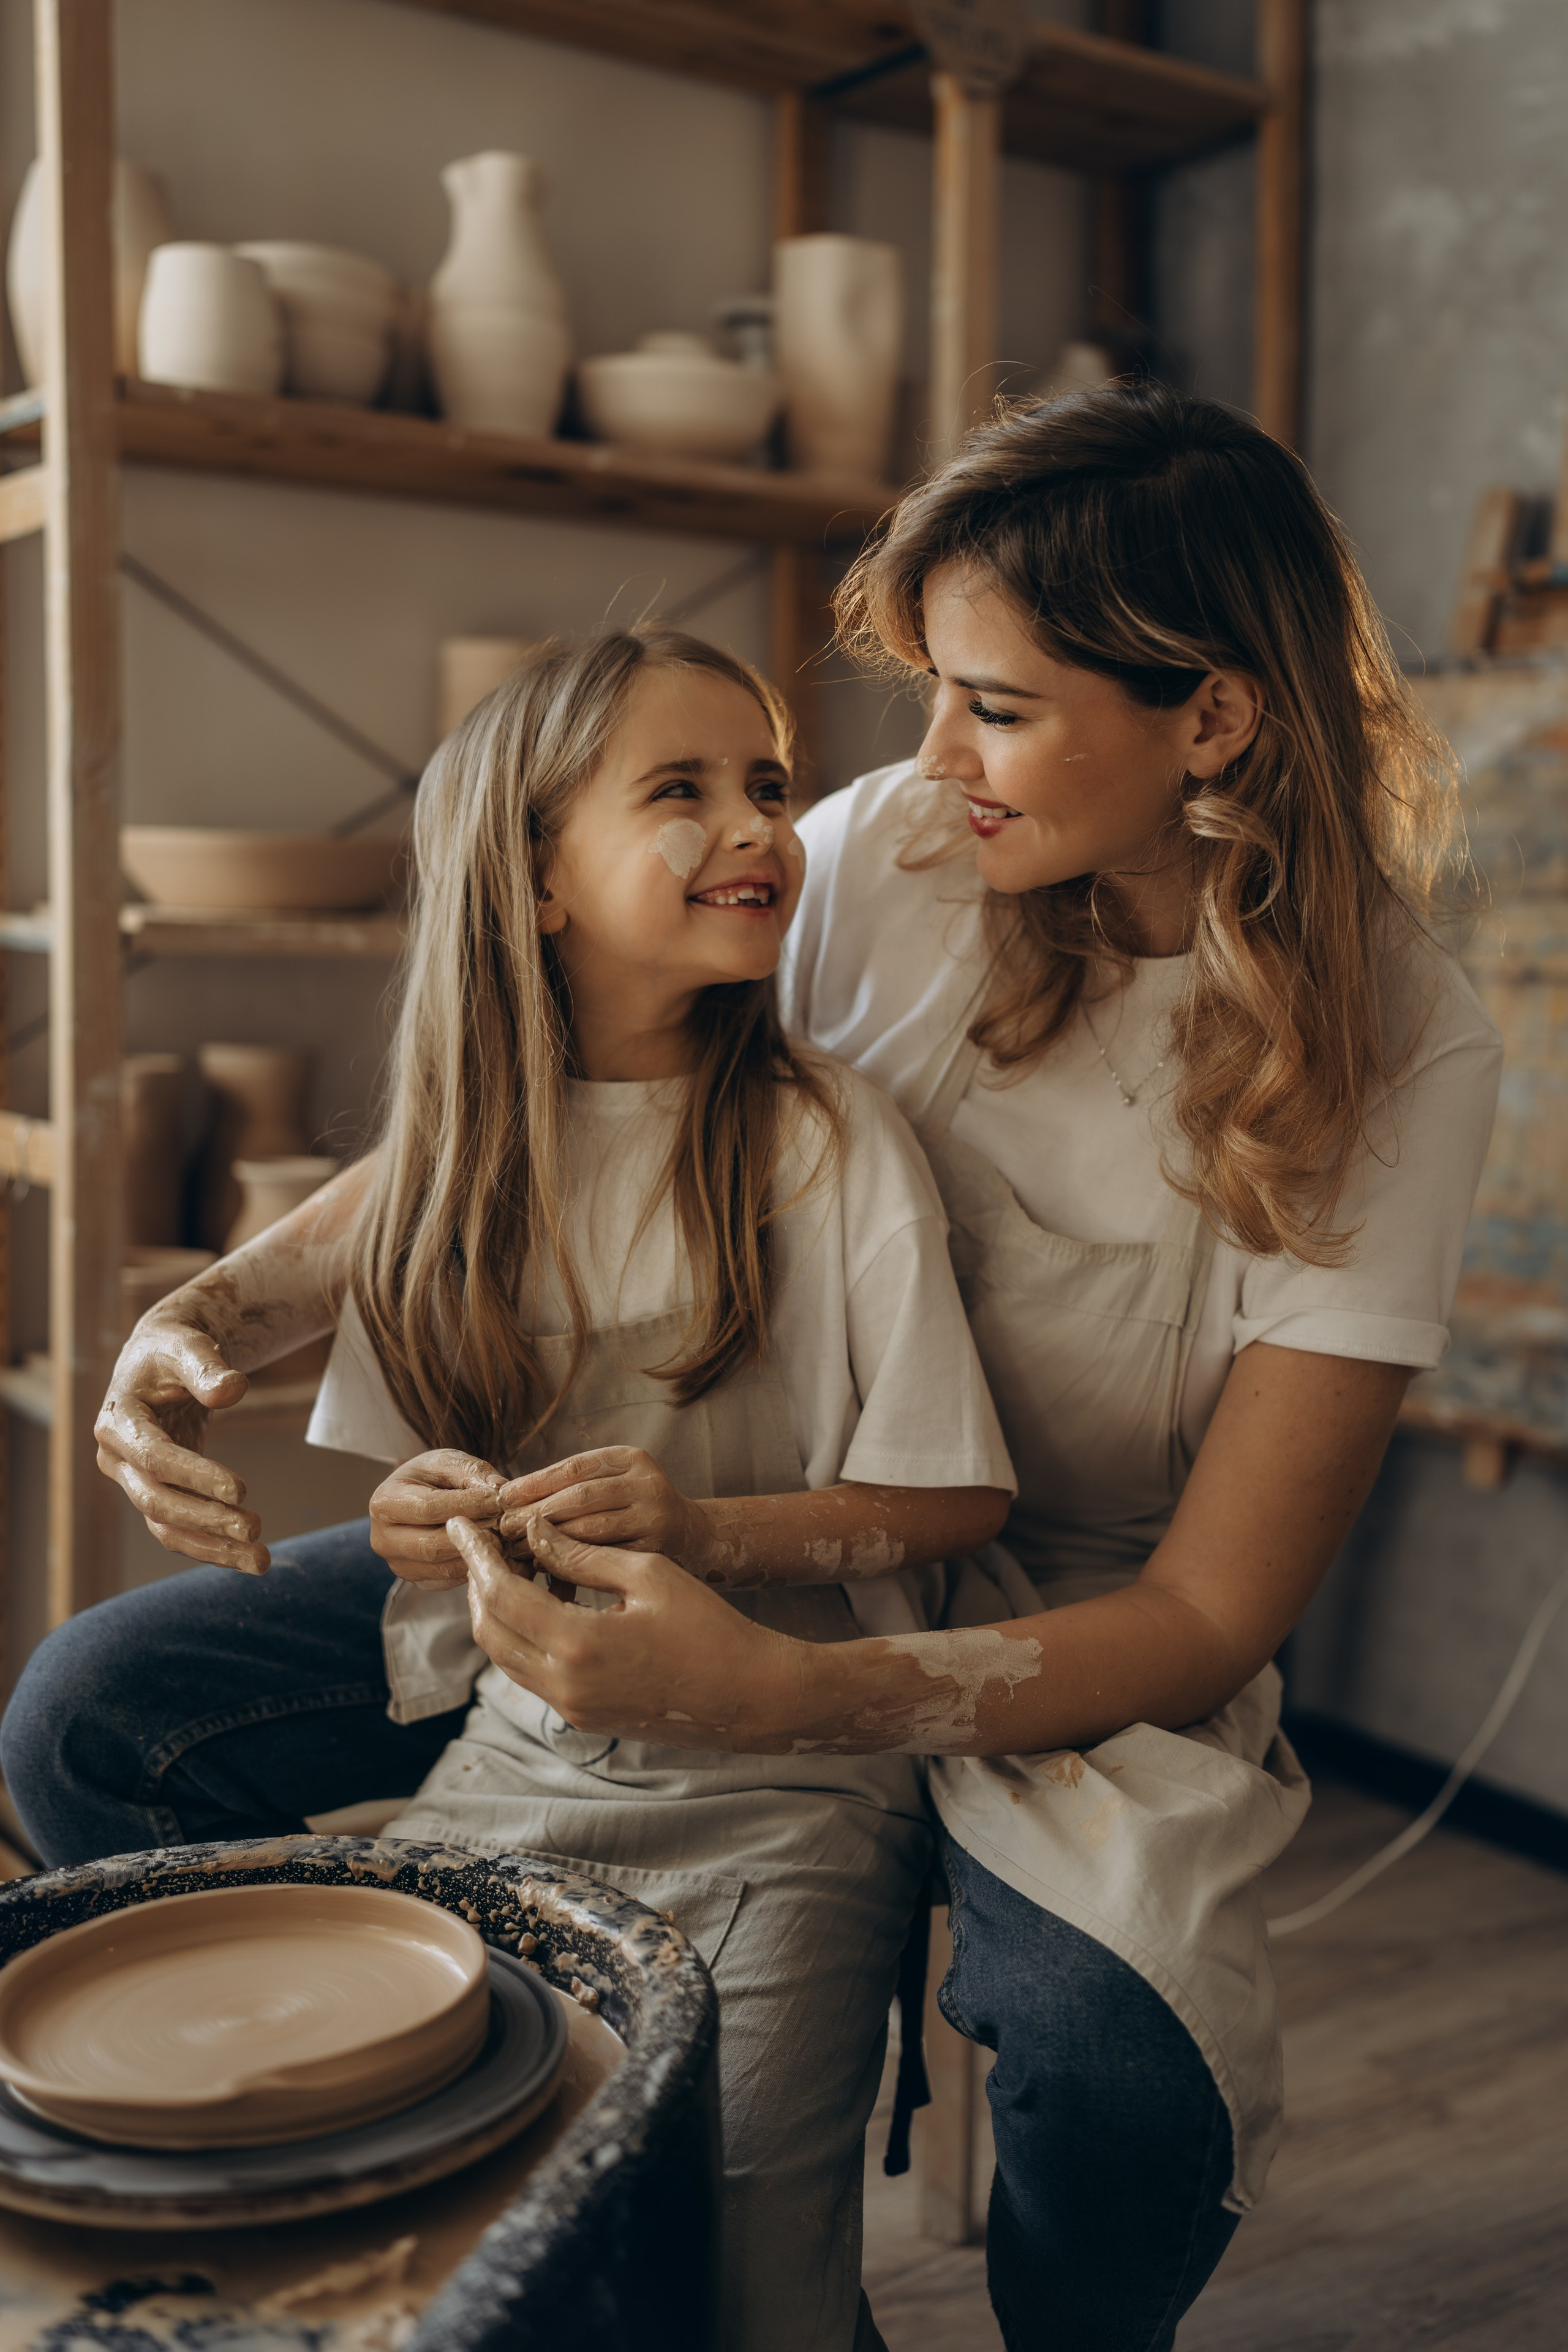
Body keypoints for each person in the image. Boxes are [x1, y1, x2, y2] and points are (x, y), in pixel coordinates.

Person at [369, 387, 1502, 2352]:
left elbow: (1213, 1610)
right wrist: (197, 1330)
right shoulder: (888, 855)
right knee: (105, 1713)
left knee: (1132, 2080)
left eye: (996, 706)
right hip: (715, 1500)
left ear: (1215, 718)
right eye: (933, 695)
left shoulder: (1405, 1042)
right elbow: (537, 1095)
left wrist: (788, 1695)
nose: (932, 758)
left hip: (1074, 1620)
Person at [4, 628, 1014, 2352]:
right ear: (537, 881)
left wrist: (697, 1530)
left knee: (745, 2250)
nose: (760, 826)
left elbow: (949, 1504)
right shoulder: (471, 1149)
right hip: (524, 1754)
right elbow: (235, 1321)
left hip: (787, 1781)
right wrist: (331, 1470)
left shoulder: (828, 1140)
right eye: (682, 788)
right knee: (460, 2212)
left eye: (768, 783)